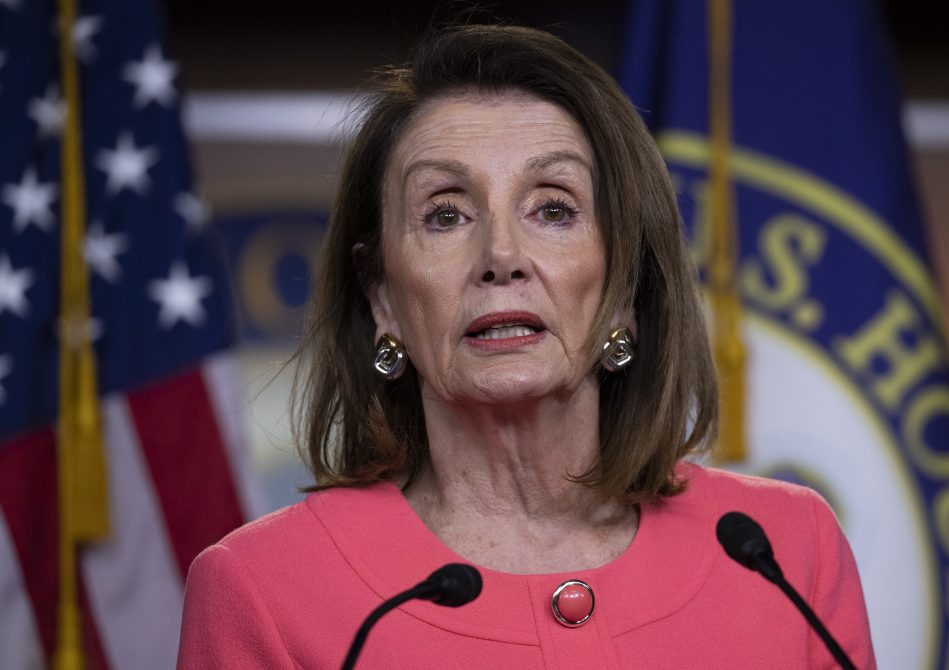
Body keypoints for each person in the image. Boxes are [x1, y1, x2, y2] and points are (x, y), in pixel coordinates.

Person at [177, 24, 876, 669]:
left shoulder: (784, 552)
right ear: (381, 294)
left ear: (626, 285)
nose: (501, 255)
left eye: (553, 208)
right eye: (445, 214)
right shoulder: (263, 590)